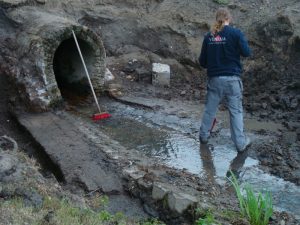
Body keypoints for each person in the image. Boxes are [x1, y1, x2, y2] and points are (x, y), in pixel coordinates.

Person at [198, 8, 251, 152]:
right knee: (236, 112)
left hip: (215, 80)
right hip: (232, 80)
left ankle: (203, 136)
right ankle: (240, 144)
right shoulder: (236, 33)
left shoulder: (209, 36)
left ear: (217, 19)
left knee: (210, 110)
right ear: (229, 18)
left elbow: (202, 62)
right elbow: (247, 52)